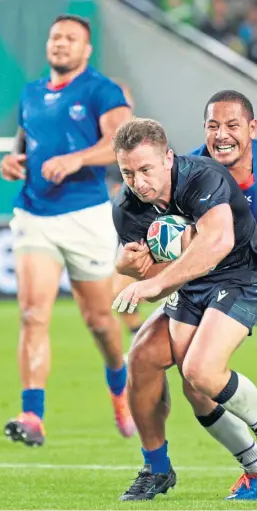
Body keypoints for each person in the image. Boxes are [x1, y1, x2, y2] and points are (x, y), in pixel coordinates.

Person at [0, 14, 134, 446]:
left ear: (86, 48)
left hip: (85, 216)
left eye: (71, 38)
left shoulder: (101, 90)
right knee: (32, 314)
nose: (60, 43)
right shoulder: (31, 92)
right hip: (34, 214)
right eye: (55, 36)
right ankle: (32, 414)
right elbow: (24, 144)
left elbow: (122, 142)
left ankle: (120, 388)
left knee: (99, 321)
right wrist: (11, 161)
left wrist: (77, 159)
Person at [115, 91, 257, 501]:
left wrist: (154, 284)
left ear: (251, 129)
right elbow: (149, 263)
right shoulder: (176, 175)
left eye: (232, 125)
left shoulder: (199, 176)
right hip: (204, 279)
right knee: (158, 366)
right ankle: (159, 468)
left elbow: (218, 240)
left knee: (202, 371)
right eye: (213, 126)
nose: (222, 134)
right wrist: (133, 268)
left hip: (244, 273)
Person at [105, 82, 144, 342]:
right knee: (117, 295)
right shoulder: (106, 147)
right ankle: (142, 342)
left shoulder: (149, 139)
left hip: (153, 230)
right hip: (125, 232)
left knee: (119, 293)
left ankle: (144, 344)